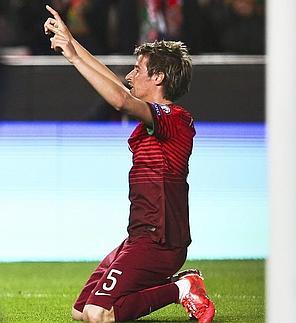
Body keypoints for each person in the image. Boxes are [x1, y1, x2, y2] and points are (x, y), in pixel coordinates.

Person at [43, 5, 215, 323]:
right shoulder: (153, 119)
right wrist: (72, 49)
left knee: (99, 315)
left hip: (161, 241)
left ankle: (183, 288)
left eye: (137, 69)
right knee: (81, 311)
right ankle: (177, 287)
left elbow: (120, 99)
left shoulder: (175, 118)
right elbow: (119, 90)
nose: (129, 75)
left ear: (159, 77)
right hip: (138, 237)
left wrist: (73, 54)